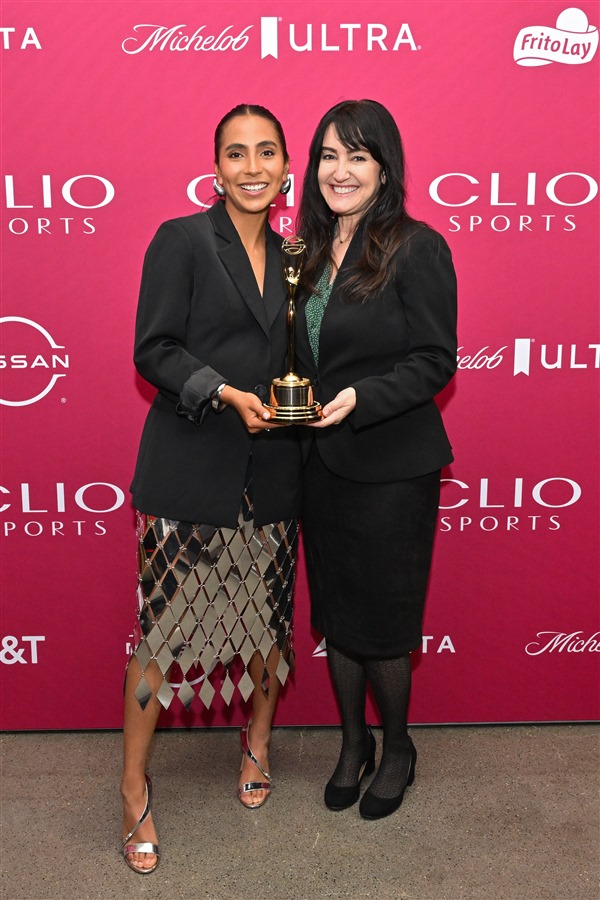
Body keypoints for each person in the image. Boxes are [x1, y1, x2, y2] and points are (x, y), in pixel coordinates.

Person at [121, 104, 302, 874]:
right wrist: (224, 393)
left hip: (276, 473)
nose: (252, 167)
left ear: (287, 166)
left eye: (267, 152)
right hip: (190, 468)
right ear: (217, 168)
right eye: (237, 153)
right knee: (161, 639)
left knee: (267, 630)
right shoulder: (184, 240)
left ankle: (256, 743)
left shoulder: (299, 258)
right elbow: (154, 349)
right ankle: (133, 787)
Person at [295, 99, 457, 821]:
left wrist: (361, 396)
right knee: (337, 612)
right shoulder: (303, 251)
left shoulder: (417, 247)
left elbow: (434, 360)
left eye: (358, 156)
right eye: (329, 156)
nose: (341, 171)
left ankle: (397, 748)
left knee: (383, 619)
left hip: (391, 465)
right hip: (318, 462)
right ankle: (353, 743)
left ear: (384, 169)